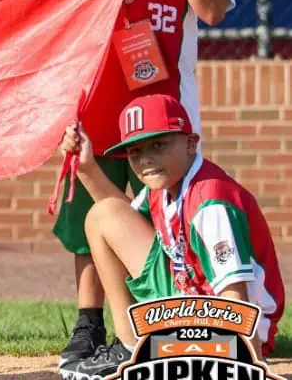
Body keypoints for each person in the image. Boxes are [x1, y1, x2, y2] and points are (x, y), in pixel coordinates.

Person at [53, 0, 236, 365]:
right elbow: (65, 6)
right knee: (89, 213)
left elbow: (213, 9)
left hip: (162, 105)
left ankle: (145, 330)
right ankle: (89, 328)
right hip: (98, 98)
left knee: (157, 215)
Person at [57, 94, 284, 379]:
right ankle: (131, 347)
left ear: (191, 143)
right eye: (135, 151)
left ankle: (168, 350)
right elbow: (118, 219)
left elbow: (235, 294)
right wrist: (88, 167)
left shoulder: (210, 202)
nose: (146, 159)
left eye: (159, 145)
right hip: (189, 305)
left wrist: (242, 363)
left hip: (231, 325)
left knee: (104, 215)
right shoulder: (164, 185)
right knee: (101, 215)